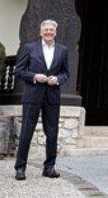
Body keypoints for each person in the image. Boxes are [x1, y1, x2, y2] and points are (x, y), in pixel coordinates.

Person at [13, 19, 70, 181]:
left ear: (55, 32)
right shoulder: (30, 48)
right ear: (40, 32)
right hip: (32, 94)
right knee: (27, 131)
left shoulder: (62, 50)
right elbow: (19, 71)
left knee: (52, 132)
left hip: (52, 96)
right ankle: (20, 168)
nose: (49, 32)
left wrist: (58, 79)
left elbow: (66, 73)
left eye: (51, 30)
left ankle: (49, 167)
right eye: (46, 30)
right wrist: (34, 76)